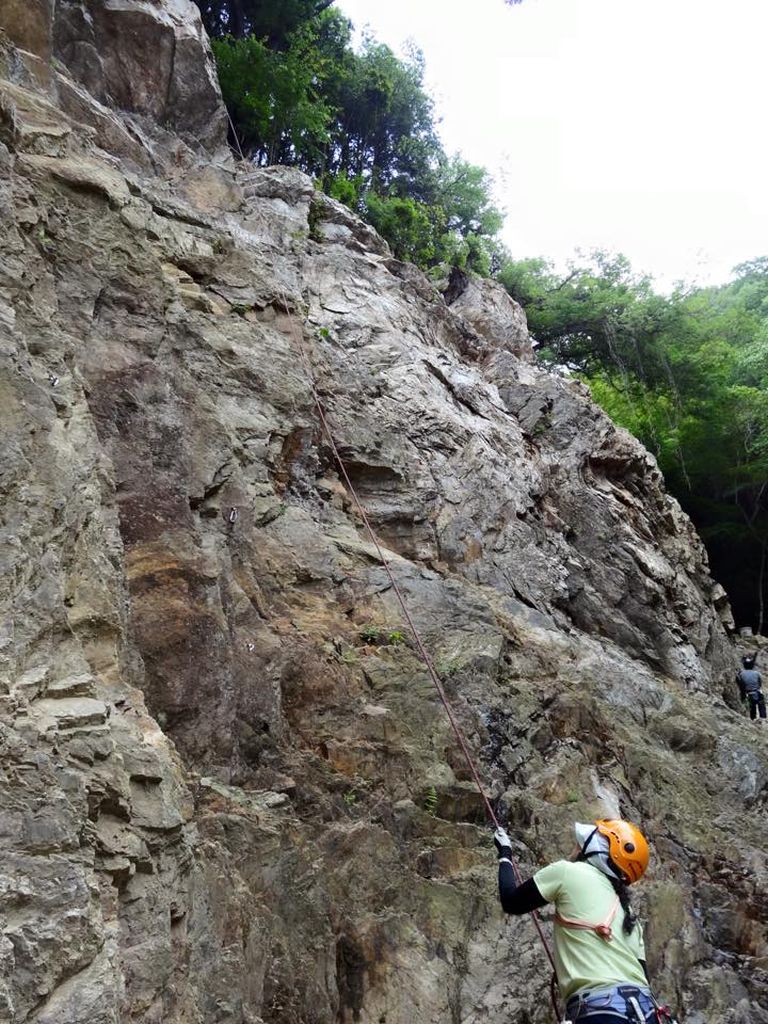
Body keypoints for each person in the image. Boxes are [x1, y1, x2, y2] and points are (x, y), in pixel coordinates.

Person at [494, 819, 677, 1023]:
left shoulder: (569, 873)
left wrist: (505, 854)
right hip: (646, 1012)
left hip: (600, 1012)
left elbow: (511, 901)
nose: (575, 847)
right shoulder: (630, 915)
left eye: (579, 844)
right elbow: (642, 978)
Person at [737, 654, 765, 722]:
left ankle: (753, 719)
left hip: (748, 694)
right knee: (761, 704)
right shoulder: (756, 673)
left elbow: (740, 683)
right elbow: (760, 683)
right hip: (757, 692)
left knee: (752, 708)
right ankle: (763, 718)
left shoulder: (741, 674)